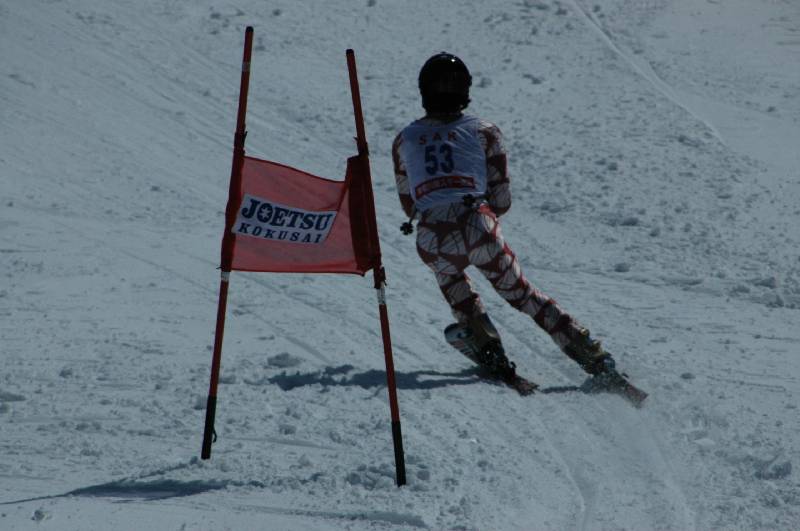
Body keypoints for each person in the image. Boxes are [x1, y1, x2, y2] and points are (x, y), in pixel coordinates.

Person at [392, 52, 614, 379]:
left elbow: (409, 203)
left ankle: (485, 343)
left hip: (431, 236)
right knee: (523, 295)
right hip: (477, 222)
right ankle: (592, 355)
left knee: (451, 279)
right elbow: (501, 200)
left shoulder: (404, 140)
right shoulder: (484, 131)